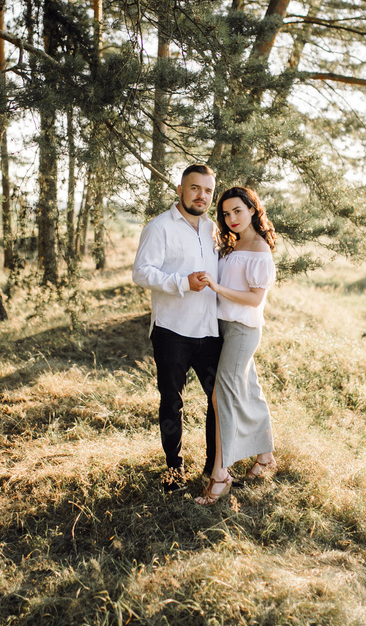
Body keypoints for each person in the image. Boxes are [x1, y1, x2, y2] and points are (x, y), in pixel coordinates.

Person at [132, 164, 222, 491]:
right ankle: (174, 470)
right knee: (172, 401)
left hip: (210, 331)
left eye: (208, 190)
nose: (202, 195)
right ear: (181, 189)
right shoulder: (159, 227)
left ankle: (215, 468)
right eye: (195, 188)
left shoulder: (215, 230)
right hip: (172, 331)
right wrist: (182, 282)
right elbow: (142, 272)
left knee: (218, 400)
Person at [195, 186, 278, 506]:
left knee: (221, 396)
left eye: (238, 211)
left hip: (243, 330)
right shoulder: (233, 243)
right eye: (226, 213)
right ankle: (266, 456)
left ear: (253, 210)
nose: (231, 218)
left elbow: (256, 298)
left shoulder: (259, 249)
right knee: (249, 390)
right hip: (224, 327)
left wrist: (217, 287)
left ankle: (221, 474)